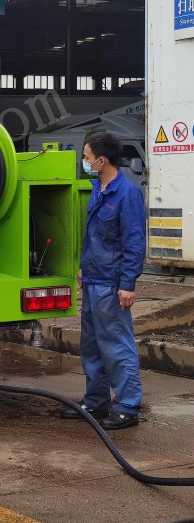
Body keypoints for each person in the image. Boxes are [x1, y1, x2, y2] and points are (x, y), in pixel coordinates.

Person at [60, 132, 146, 429]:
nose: (84, 162)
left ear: (101, 159)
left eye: (86, 157)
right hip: (94, 278)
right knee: (93, 346)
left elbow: (134, 242)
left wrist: (128, 283)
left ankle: (127, 406)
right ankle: (95, 402)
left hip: (112, 284)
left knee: (116, 346)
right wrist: (84, 268)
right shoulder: (98, 188)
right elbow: (93, 235)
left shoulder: (127, 194)